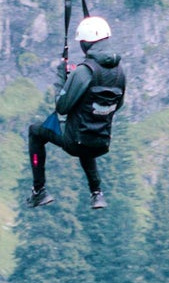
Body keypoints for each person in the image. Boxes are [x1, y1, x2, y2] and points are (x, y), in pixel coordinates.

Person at [28, 13, 126, 210]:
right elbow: (118, 105)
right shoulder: (119, 73)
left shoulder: (83, 72)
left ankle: (39, 191)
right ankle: (96, 193)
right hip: (101, 142)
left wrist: (62, 77)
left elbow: (61, 107)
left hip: (75, 142)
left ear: (85, 44)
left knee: (35, 131)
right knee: (85, 134)